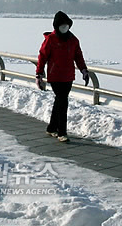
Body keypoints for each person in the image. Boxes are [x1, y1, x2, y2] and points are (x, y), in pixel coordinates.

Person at [36, 11, 89, 143]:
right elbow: (42, 57)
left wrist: (84, 70)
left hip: (68, 76)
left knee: (59, 101)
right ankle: (62, 132)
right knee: (62, 101)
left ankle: (51, 128)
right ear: (56, 27)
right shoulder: (50, 40)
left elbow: (78, 56)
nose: (65, 29)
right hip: (55, 76)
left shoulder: (73, 40)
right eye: (62, 27)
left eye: (66, 26)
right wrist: (39, 74)